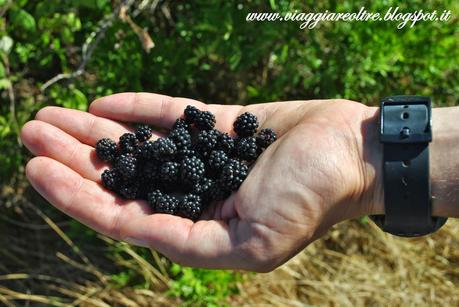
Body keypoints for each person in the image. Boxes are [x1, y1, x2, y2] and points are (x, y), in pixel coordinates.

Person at [20, 92, 459, 272]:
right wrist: (371, 155)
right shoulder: (173, 156)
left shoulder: (219, 151)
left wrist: (359, 154)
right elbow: (178, 163)